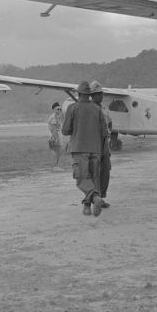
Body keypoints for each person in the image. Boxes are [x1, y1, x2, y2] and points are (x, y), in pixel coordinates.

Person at [62, 80, 108, 217]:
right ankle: (87, 208)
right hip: (96, 149)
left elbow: (65, 130)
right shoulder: (97, 109)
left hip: (79, 148)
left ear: (78, 93)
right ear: (89, 94)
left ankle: (94, 199)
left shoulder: (72, 108)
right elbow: (104, 132)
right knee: (94, 179)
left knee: (82, 178)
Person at [90, 81, 112, 209]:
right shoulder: (90, 108)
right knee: (95, 172)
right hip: (95, 142)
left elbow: (110, 123)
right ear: (92, 95)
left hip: (105, 142)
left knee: (105, 171)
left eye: (101, 93)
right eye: (98, 94)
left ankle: (101, 198)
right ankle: (93, 199)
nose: (101, 95)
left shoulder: (103, 107)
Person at [47, 102, 64, 167]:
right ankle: (55, 166)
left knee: (59, 151)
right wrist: (56, 138)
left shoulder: (57, 116)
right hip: (55, 135)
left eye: (60, 109)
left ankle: (56, 165)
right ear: (54, 109)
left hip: (58, 134)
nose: (59, 110)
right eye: (58, 109)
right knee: (55, 151)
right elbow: (54, 129)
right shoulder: (53, 117)